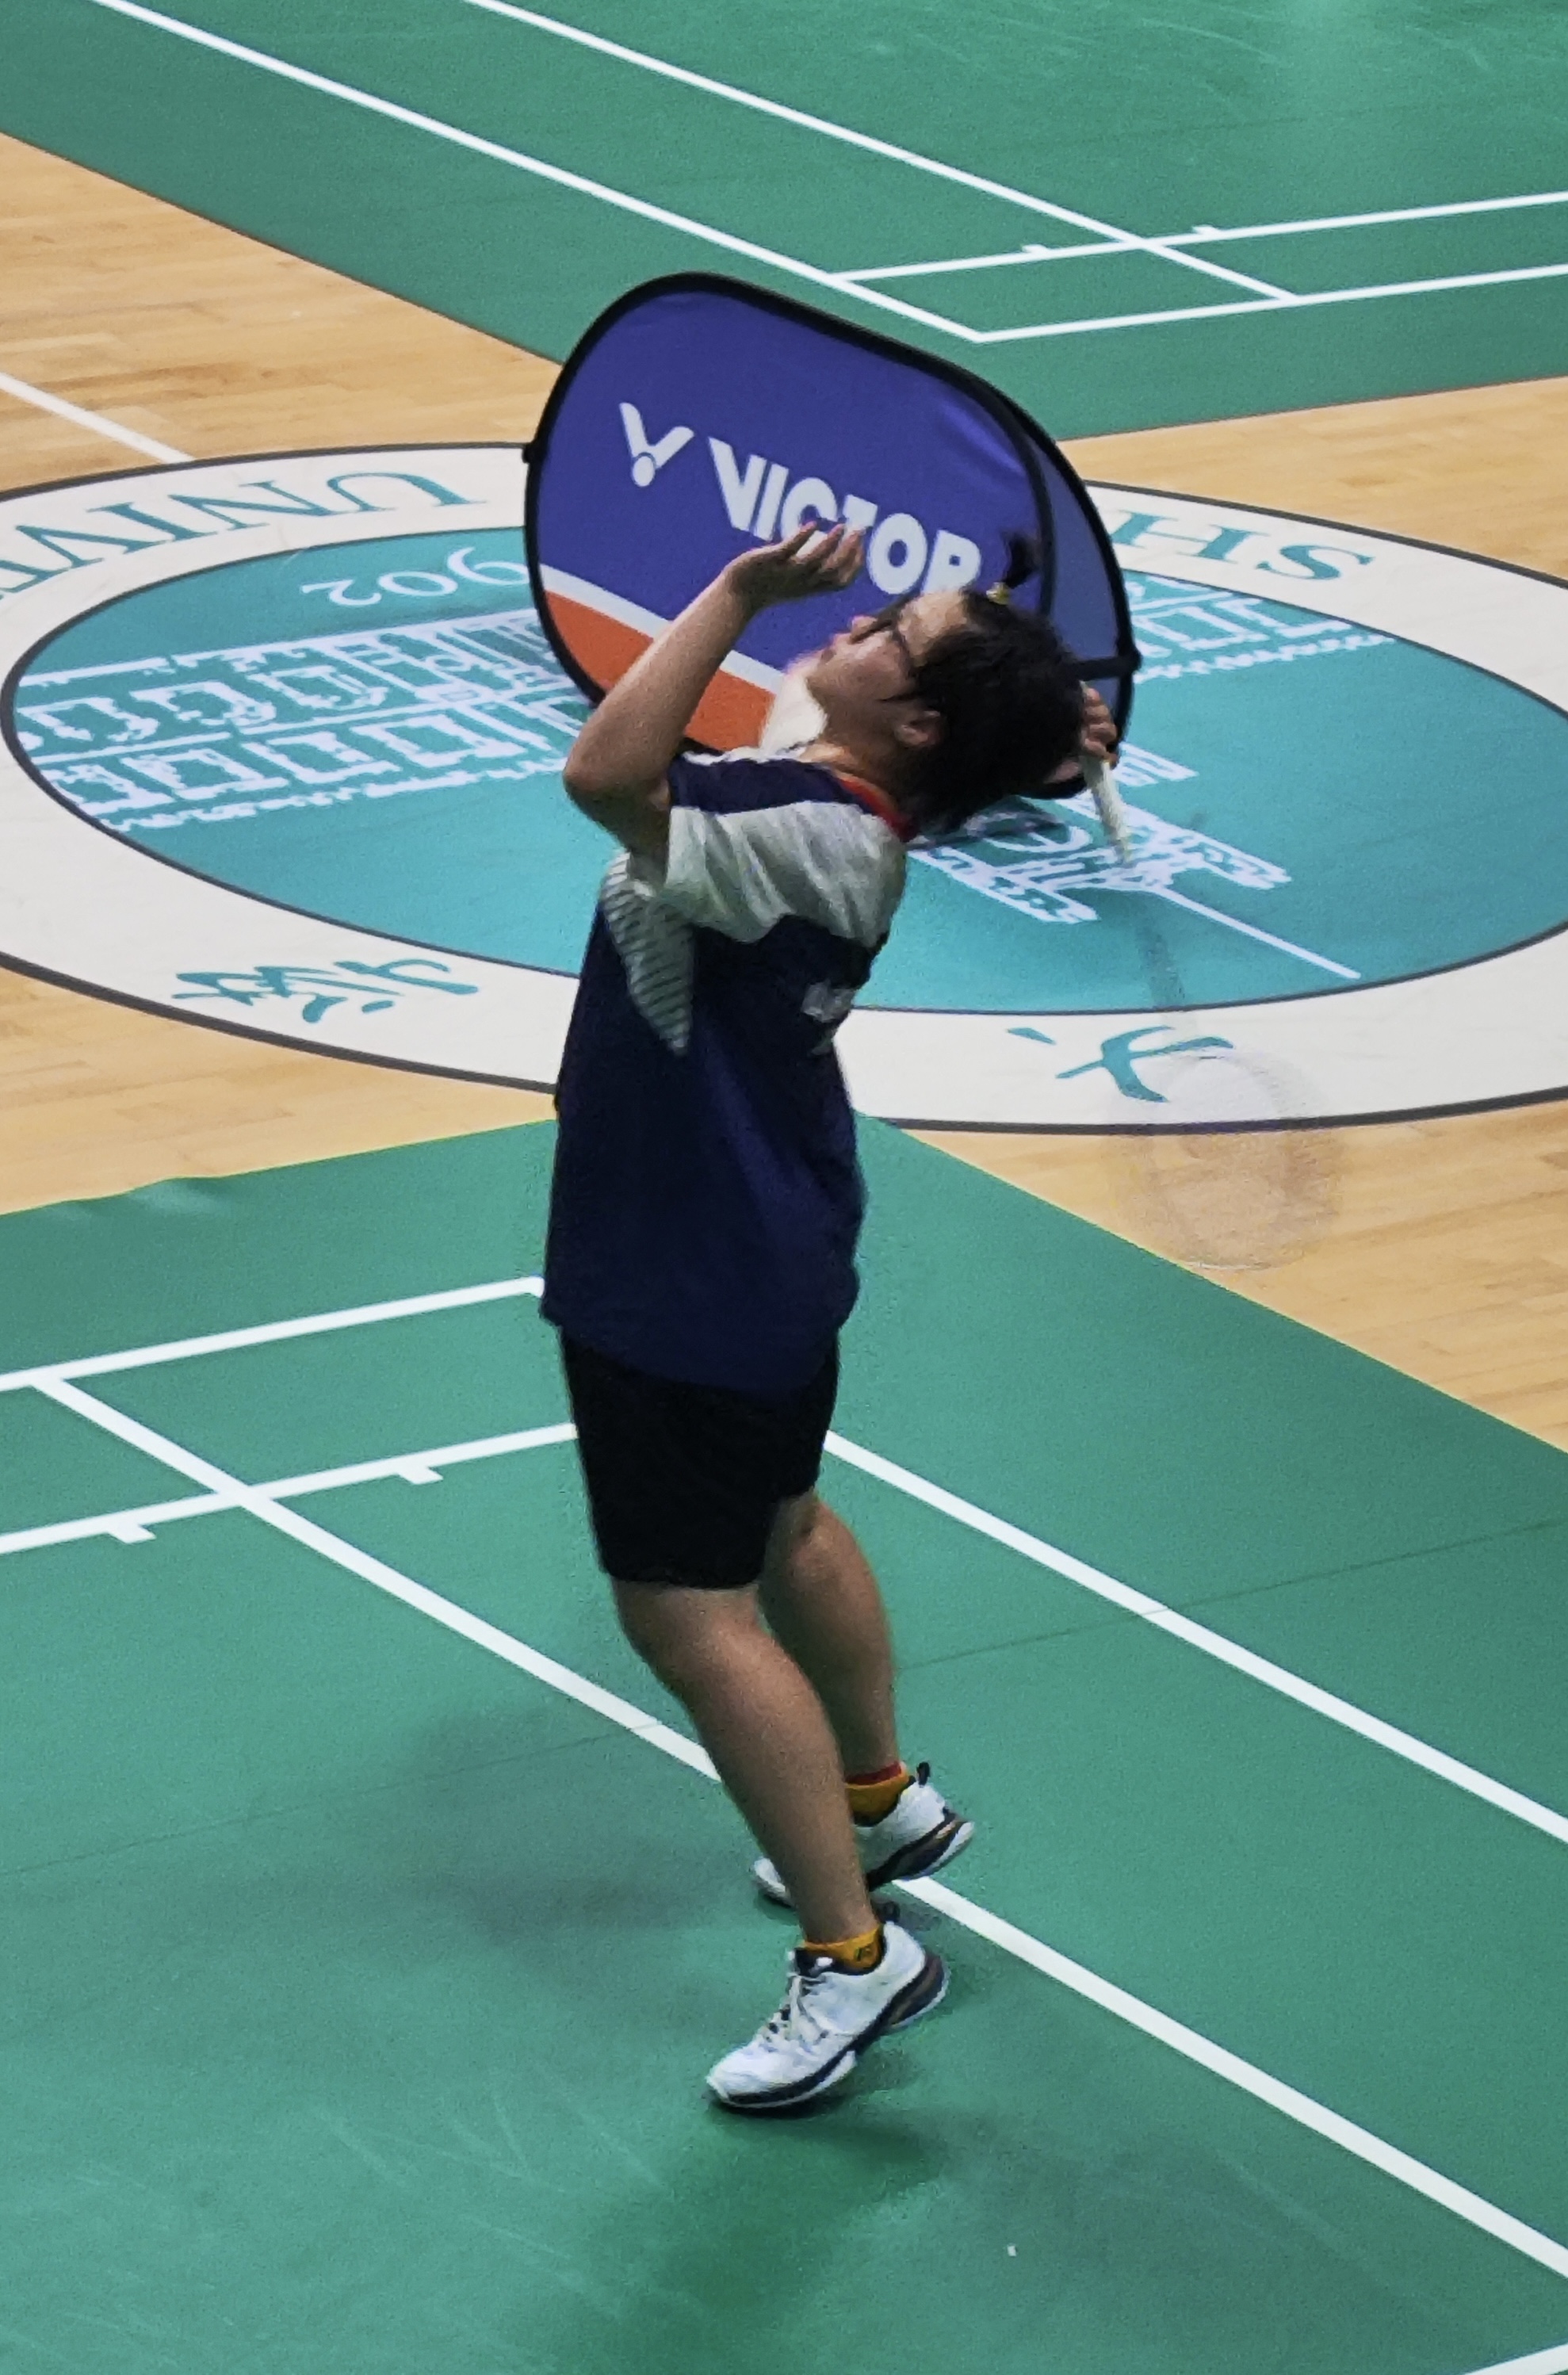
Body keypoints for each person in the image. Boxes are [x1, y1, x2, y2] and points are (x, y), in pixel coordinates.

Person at [542, 522, 1118, 2113]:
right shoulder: (844, 800)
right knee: (784, 1521)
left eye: (887, 634)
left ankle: (853, 1956)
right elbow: (821, 722)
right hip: (773, 1230)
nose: (853, 625)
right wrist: (1034, 728)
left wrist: (733, 590)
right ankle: (876, 1796)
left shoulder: (795, 834)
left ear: (915, 723)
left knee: (688, 1618)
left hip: (682, 1258)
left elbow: (605, 773)